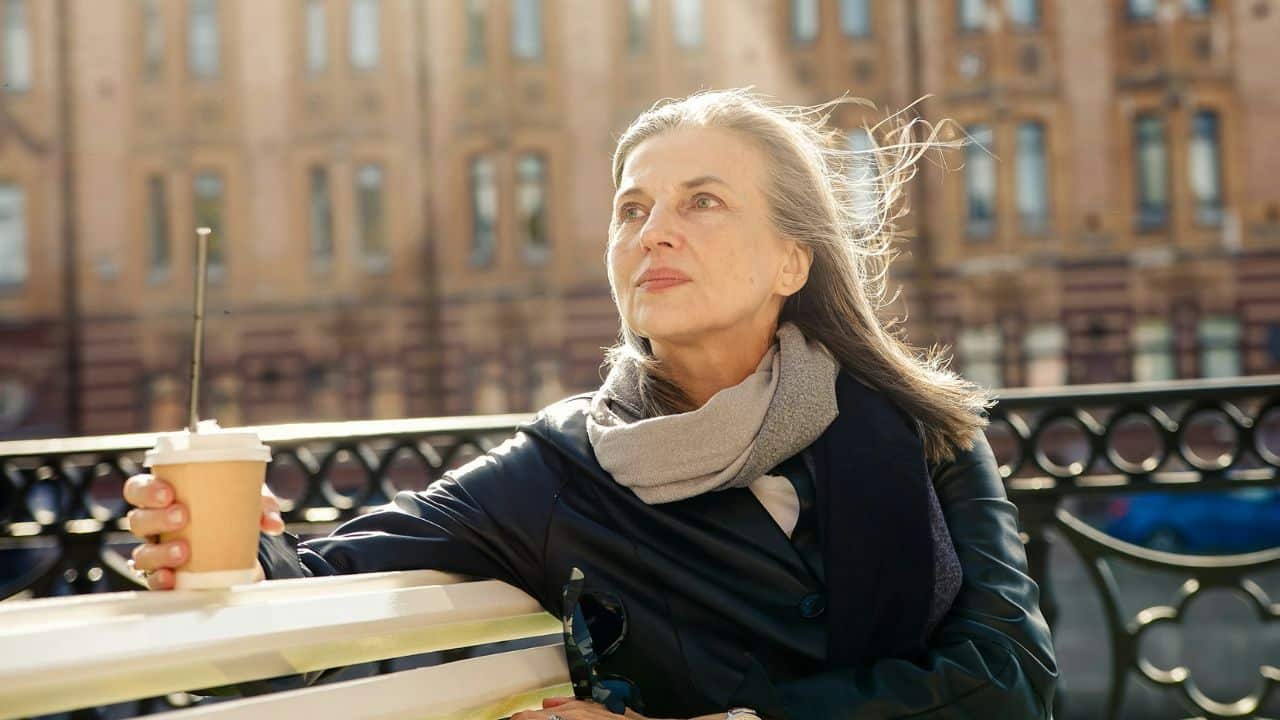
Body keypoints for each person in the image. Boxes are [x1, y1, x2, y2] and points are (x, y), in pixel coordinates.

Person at [124, 90, 1057, 719]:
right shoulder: (557, 472)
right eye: (631, 208)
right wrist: (221, 544)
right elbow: (312, 591)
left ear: (791, 262)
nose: (653, 232)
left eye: (702, 203)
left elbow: (1015, 680)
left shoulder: (919, 428)